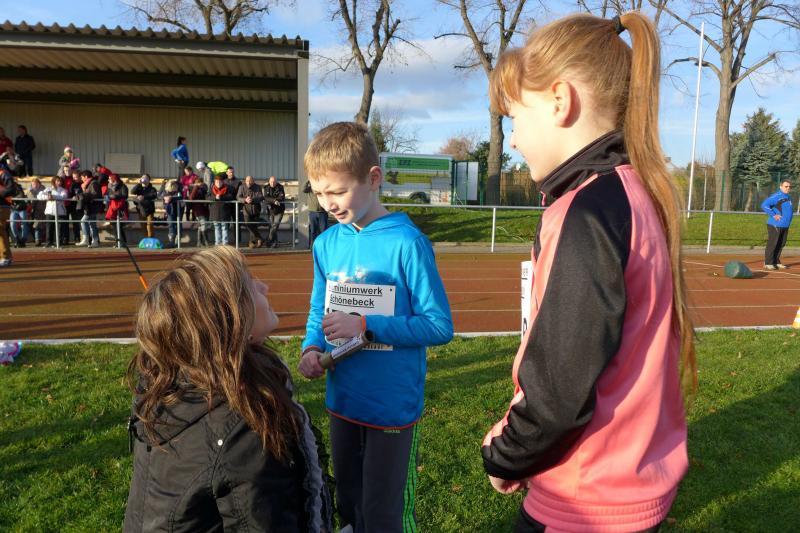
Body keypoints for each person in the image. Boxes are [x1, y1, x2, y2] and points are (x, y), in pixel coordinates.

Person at [480, 13, 697, 533]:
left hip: (584, 497)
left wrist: (507, 454)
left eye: (515, 118)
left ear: (560, 100)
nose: (513, 140)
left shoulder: (588, 211)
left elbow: (559, 388)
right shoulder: (635, 193)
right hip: (629, 485)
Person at [297, 121, 453, 533]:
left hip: (391, 407)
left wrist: (366, 325)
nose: (328, 204)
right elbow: (319, 310)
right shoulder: (326, 244)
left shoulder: (408, 243)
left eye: (337, 191)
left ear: (373, 178)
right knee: (350, 506)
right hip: (343, 402)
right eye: (319, 193)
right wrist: (312, 347)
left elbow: (438, 325)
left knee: (384, 516)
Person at [123, 246, 333, 533]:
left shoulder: (169, 388)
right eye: (252, 285)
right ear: (230, 320)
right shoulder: (241, 422)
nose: (265, 287)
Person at [761, 179, 793, 270]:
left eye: (789, 187)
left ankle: (776, 261)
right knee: (773, 243)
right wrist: (774, 215)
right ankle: (768, 262)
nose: (788, 188)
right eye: (786, 186)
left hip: (785, 225)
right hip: (775, 224)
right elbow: (764, 205)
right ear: (781, 187)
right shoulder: (776, 196)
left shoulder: (788, 197)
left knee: (781, 244)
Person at [38, 176, 68, 248]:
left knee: (60, 228)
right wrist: (47, 197)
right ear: (54, 181)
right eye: (57, 181)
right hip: (50, 211)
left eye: (60, 181)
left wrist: (53, 197)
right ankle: (49, 242)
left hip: (60, 211)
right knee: (49, 228)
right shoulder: (48, 189)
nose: (59, 182)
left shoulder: (63, 190)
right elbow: (39, 195)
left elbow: (64, 196)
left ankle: (59, 243)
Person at [0, 157, 19, 266]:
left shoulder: (3, 173)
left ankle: (5, 257)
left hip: (2, 206)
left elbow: (11, 189)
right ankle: (6, 256)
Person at [237, 175, 264, 248]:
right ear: (245, 181)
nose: (248, 182)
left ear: (253, 181)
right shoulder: (241, 187)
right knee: (248, 224)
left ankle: (252, 243)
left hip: (256, 210)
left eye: (250, 181)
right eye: (247, 181)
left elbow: (261, 197)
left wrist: (253, 200)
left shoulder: (257, 187)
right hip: (246, 209)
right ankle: (260, 238)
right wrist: (245, 200)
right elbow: (238, 197)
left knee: (254, 226)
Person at [208, 173, 233, 245]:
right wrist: (215, 197)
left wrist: (221, 197)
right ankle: (217, 243)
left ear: (222, 182)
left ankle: (225, 243)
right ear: (215, 182)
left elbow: (230, 196)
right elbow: (207, 197)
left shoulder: (228, 188)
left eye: (220, 182)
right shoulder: (211, 188)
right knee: (217, 227)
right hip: (215, 211)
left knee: (224, 227)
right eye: (217, 182)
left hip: (224, 211)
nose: (218, 183)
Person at [79, 171, 102, 247]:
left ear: (86, 177)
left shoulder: (93, 183)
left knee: (84, 221)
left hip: (92, 207)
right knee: (91, 224)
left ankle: (88, 239)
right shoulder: (89, 183)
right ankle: (94, 241)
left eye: (82, 177)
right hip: (90, 207)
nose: (81, 179)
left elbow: (95, 194)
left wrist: (84, 194)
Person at [305, 179, 330, 248]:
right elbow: (304, 189)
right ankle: (313, 246)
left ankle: (323, 246)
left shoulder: (323, 188)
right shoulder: (309, 188)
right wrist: (308, 180)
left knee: (324, 230)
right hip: (312, 212)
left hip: (323, 212)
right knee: (313, 230)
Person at [131, 174, 158, 239]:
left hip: (150, 210)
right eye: (143, 177)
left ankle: (151, 239)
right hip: (141, 209)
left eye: (146, 178)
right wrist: (138, 184)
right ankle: (146, 239)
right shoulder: (139, 188)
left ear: (149, 180)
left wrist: (144, 197)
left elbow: (154, 195)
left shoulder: (152, 188)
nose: (144, 179)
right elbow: (132, 192)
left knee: (149, 225)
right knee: (143, 225)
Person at [263, 175, 286, 248]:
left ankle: (268, 240)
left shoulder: (280, 187)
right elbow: (266, 198)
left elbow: (281, 197)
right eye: (271, 182)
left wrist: (274, 200)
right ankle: (274, 243)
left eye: (274, 182)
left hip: (279, 210)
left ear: (276, 182)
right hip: (270, 210)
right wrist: (274, 201)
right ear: (269, 182)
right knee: (272, 227)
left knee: (275, 226)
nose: (272, 183)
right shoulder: (266, 187)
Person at [106, 174, 129, 244]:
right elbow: (108, 195)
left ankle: (122, 242)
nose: (108, 180)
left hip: (121, 208)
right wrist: (110, 196)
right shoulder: (109, 186)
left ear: (114, 179)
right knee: (114, 225)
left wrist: (115, 196)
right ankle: (119, 242)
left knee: (119, 225)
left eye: (110, 179)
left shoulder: (123, 186)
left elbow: (125, 195)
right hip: (112, 207)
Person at [160, 179, 183, 248]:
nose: (175, 187)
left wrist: (171, 198)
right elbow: (160, 196)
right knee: (171, 225)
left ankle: (177, 242)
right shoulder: (166, 192)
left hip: (178, 211)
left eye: (175, 185)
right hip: (170, 212)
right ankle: (171, 242)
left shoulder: (178, 191)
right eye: (173, 185)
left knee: (178, 225)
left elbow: (180, 197)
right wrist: (165, 198)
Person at [189, 176, 210, 247]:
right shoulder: (195, 189)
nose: (200, 184)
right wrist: (196, 187)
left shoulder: (204, 188)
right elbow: (191, 197)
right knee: (203, 224)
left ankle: (200, 242)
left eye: (201, 183)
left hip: (204, 209)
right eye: (198, 183)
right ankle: (205, 242)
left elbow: (206, 196)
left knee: (201, 225)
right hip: (198, 210)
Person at [9, 176, 29, 247]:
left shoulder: (18, 187)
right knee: (12, 224)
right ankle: (17, 239)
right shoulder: (7, 187)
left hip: (21, 208)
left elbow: (21, 195)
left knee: (24, 224)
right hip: (13, 209)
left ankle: (23, 240)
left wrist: (12, 198)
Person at [29, 177, 46, 246]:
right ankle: (37, 238)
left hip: (41, 210)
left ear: (39, 184)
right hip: (32, 211)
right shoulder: (30, 192)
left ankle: (37, 239)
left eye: (36, 184)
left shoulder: (44, 191)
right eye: (33, 184)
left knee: (37, 225)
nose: (35, 186)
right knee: (32, 225)